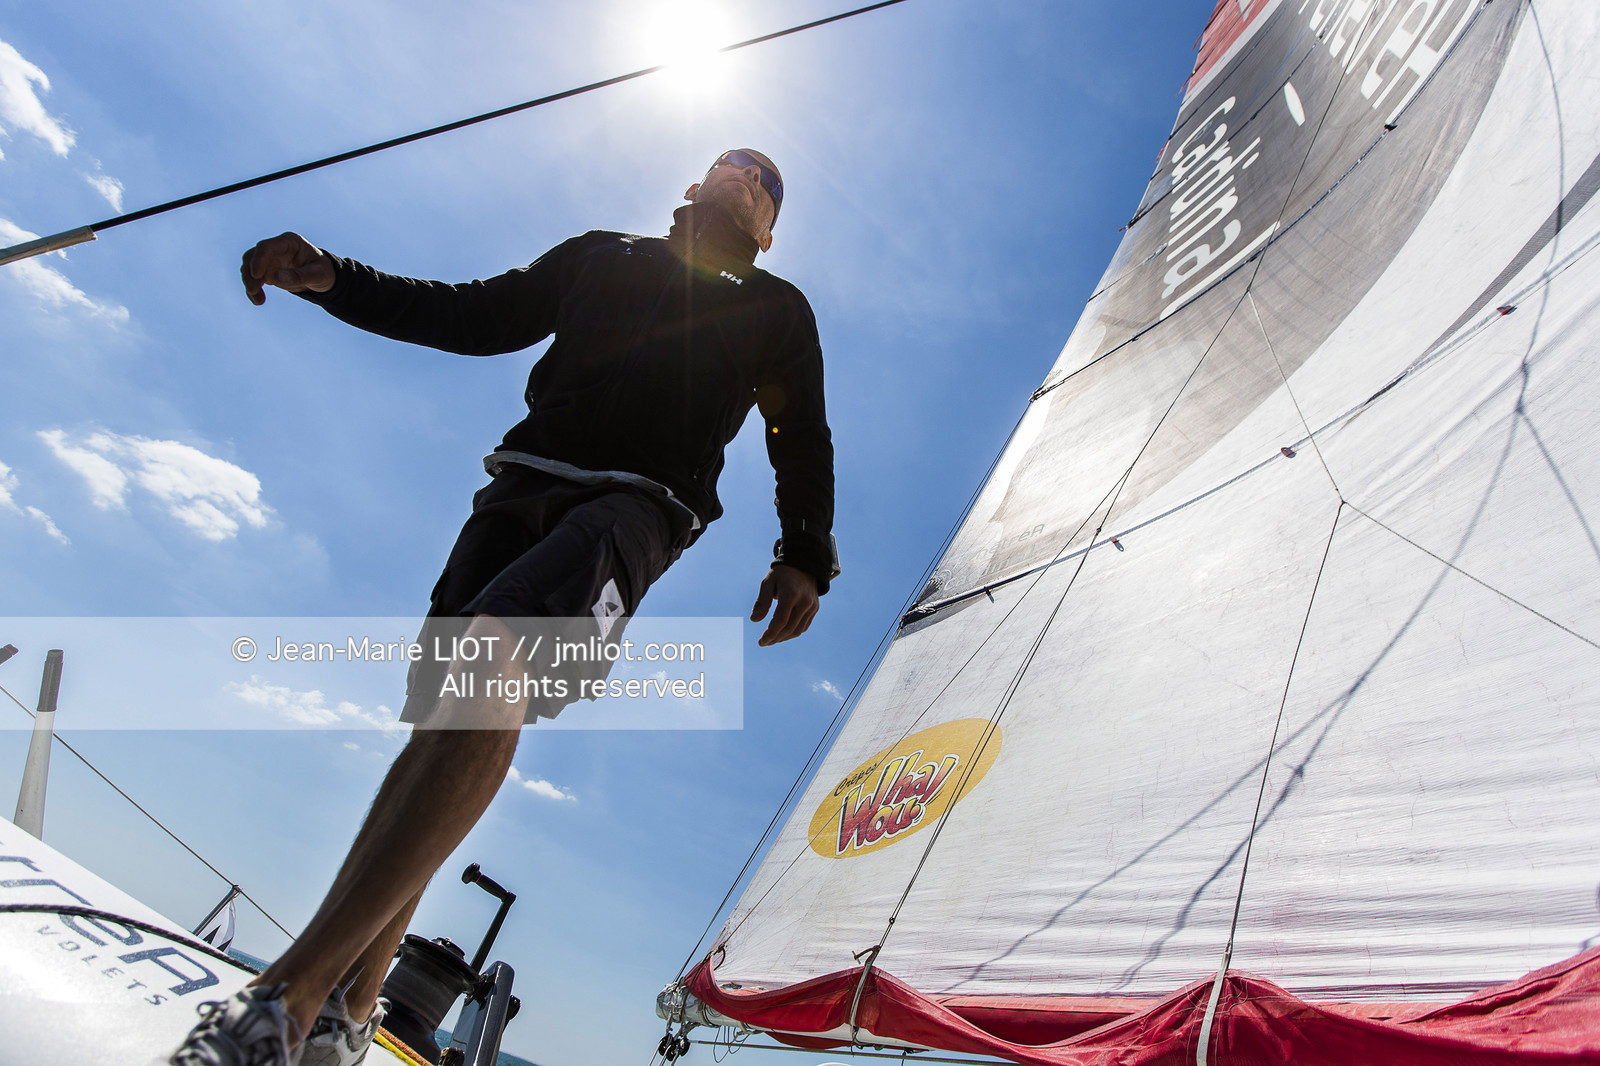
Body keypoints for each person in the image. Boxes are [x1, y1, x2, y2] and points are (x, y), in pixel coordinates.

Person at [170, 149, 837, 1066]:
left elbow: (798, 430)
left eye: (767, 181)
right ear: (692, 185)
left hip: (640, 507)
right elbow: (475, 314)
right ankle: (350, 1014)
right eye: (731, 163)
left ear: (770, 229)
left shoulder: (777, 309)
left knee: (496, 663)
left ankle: (283, 1003)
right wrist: (334, 279)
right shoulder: (601, 254)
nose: (745, 175)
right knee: (437, 721)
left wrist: (804, 549)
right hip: (517, 489)